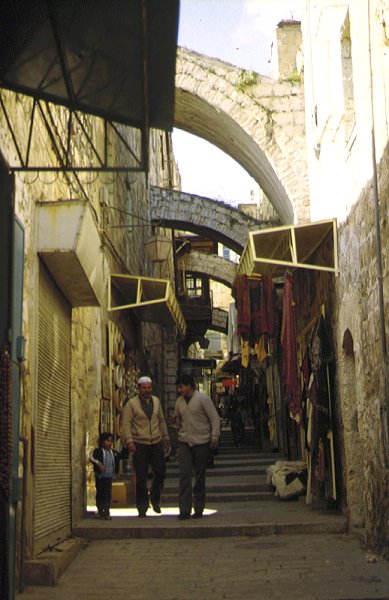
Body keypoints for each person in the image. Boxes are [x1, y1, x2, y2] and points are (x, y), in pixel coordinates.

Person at [121, 376, 171, 517]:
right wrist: (129, 441)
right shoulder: (131, 404)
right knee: (141, 476)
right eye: (144, 388)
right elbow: (126, 423)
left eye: (149, 388)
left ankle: (155, 499)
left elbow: (161, 420)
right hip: (140, 443)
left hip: (156, 441)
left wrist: (166, 437)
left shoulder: (156, 401)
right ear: (139, 389)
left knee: (160, 472)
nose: (147, 390)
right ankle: (142, 506)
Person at [174, 373, 220, 520]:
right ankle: (184, 509)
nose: (179, 390)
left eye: (181, 386)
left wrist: (214, 436)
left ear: (189, 386)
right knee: (185, 474)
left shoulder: (202, 399)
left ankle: (199, 507)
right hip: (184, 441)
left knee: (200, 476)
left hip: (201, 441)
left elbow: (214, 418)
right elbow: (177, 421)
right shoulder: (179, 402)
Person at [90, 431, 121, 520]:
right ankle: (100, 510)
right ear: (103, 441)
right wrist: (99, 464)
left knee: (108, 494)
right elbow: (92, 457)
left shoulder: (113, 452)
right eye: (108, 441)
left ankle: (106, 511)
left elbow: (117, 459)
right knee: (100, 493)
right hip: (100, 477)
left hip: (109, 476)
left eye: (111, 441)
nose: (109, 443)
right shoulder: (98, 451)